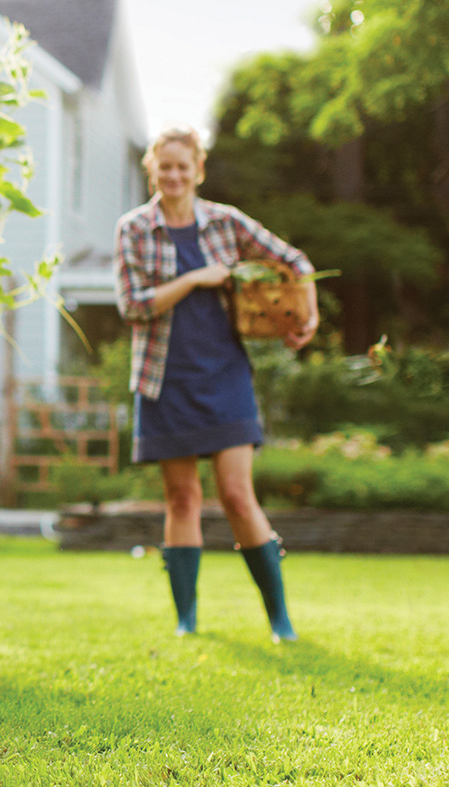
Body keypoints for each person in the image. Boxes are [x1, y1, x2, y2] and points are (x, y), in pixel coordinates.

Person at [114, 126, 316, 643]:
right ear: (153, 171)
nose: (175, 176)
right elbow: (133, 306)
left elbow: (295, 262)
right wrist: (196, 279)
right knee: (182, 498)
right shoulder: (134, 229)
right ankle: (186, 619)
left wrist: (304, 317)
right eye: (165, 167)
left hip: (225, 376)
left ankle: (280, 619)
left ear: (198, 170)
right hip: (163, 380)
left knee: (235, 495)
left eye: (184, 167)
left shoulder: (225, 222)